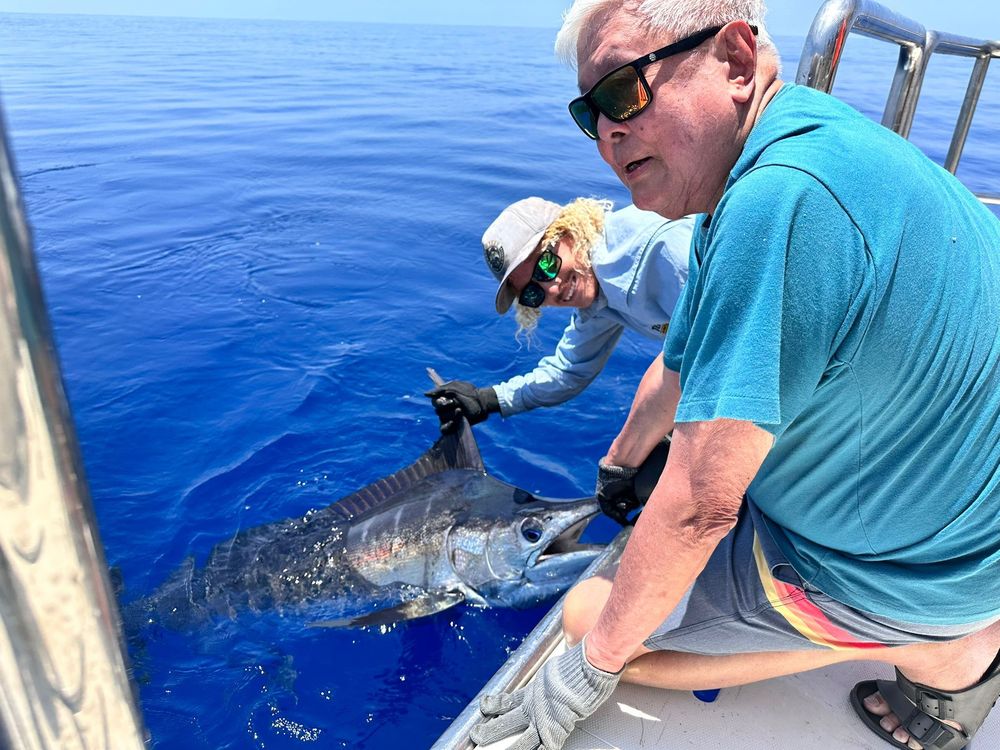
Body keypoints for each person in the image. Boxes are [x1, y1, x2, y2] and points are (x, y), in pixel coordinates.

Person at [470, 3, 1000, 750]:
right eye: (591, 115)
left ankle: (926, 649)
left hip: (923, 579)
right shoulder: (790, 151)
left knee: (590, 616)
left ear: (737, 60)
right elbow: (678, 366)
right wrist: (614, 467)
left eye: (623, 92)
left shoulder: (762, 212)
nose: (609, 134)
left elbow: (699, 508)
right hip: (961, 519)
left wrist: (589, 669)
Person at [426, 196, 693, 471]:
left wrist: (632, 453)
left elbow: (714, 345)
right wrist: (487, 400)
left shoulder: (661, 249)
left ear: (569, 231)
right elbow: (568, 372)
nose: (552, 289)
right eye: (532, 293)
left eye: (546, 266)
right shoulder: (598, 288)